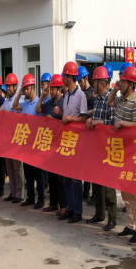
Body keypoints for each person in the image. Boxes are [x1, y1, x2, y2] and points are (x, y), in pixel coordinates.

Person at [108, 66, 136, 245]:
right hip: (120, 151)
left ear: (131, 84)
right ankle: (131, 225)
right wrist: (115, 89)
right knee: (124, 191)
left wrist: (122, 123)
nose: (120, 83)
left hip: (132, 153)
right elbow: (109, 101)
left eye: (122, 81)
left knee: (133, 193)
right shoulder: (120, 100)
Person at [85, 66, 118, 231]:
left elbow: (113, 123)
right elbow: (96, 117)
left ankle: (112, 218)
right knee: (96, 182)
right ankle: (99, 213)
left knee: (108, 184)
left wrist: (99, 123)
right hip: (96, 146)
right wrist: (90, 120)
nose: (93, 84)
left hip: (108, 147)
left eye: (95, 81)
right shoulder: (97, 99)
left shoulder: (110, 99)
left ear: (102, 83)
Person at [57, 61, 88, 224]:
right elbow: (66, 114)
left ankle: (78, 211)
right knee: (66, 177)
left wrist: (69, 118)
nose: (63, 78)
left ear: (69, 77)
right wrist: (61, 113)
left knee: (76, 178)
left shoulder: (81, 95)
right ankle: (70, 208)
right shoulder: (66, 95)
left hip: (76, 141)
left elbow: (83, 117)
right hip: (66, 140)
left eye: (64, 75)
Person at [12, 74, 45, 209]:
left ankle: (41, 198)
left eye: (27, 88)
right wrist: (19, 93)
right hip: (26, 144)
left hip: (36, 144)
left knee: (38, 174)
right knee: (28, 172)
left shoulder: (39, 103)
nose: (25, 91)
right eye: (24, 89)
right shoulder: (25, 104)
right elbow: (14, 105)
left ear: (33, 88)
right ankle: (31, 197)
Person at [36, 74, 67, 215]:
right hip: (49, 143)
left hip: (60, 144)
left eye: (53, 88)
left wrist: (55, 118)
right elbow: (37, 109)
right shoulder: (48, 103)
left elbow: (67, 122)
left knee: (60, 178)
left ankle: (64, 205)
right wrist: (42, 95)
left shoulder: (63, 103)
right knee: (52, 176)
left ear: (59, 90)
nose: (51, 90)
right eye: (50, 88)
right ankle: (54, 203)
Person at [0, 73, 25, 204]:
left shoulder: (20, 100)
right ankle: (12, 192)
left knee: (17, 168)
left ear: (15, 86)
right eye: (7, 86)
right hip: (7, 140)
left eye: (10, 86)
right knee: (9, 167)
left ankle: (20, 194)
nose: (8, 88)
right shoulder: (5, 102)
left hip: (17, 139)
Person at [78, 66, 95, 205]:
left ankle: (91, 193)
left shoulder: (92, 93)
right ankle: (84, 191)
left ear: (86, 78)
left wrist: (84, 113)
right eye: (78, 81)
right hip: (81, 131)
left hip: (91, 130)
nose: (79, 84)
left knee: (90, 163)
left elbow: (95, 110)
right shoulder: (79, 93)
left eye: (80, 81)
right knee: (82, 162)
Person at [39, 72, 52, 190]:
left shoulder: (51, 99)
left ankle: (47, 182)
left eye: (45, 84)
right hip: (41, 132)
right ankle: (44, 182)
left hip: (50, 132)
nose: (44, 86)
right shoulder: (41, 99)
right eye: (42, 84)